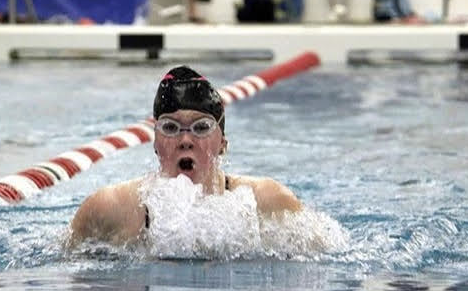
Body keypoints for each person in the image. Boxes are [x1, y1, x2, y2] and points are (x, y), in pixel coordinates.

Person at [70, 66, 303, 247]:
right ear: (155, 143)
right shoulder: (112, 209)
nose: (185, 141)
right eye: (170, 128)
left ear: (222, 143)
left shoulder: (268, 202)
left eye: (201, 128)